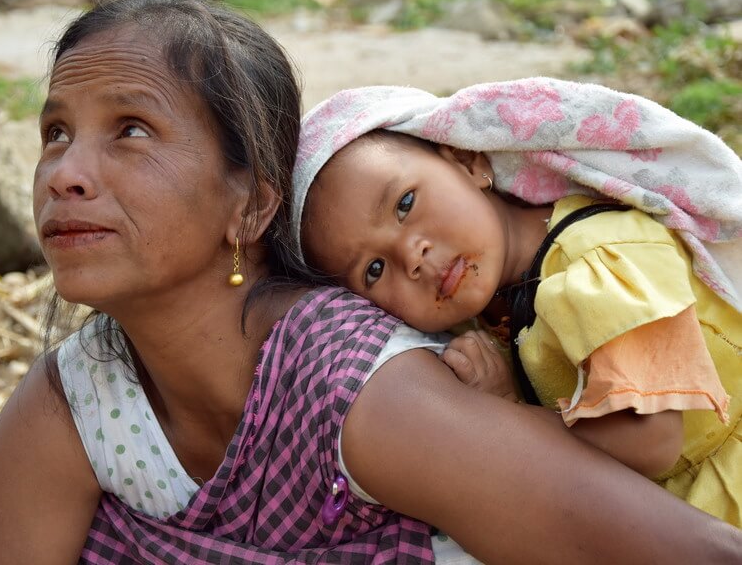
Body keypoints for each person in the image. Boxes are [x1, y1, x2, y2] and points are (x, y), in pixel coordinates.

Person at [0, 0, 742, 564]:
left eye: (132, 129)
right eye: (55, 132)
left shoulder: (349, 381)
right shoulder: (84, 392)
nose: (65, 173)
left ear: (251, 207)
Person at [290, 82, 742, 526]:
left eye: (405, 203)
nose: (412, 256)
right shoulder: (483, 318)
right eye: (373, 269)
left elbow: (650, 439)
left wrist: (507, 411)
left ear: (468, 162)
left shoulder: (598, 255)